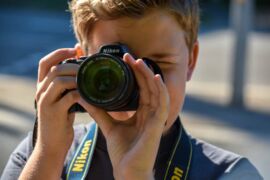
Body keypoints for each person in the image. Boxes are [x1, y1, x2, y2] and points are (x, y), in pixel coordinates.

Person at [1, 0, 263, 179]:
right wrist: (48, 156)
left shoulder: (232, 174)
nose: (137, 85)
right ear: (82, 64)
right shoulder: (41, 155)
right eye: (113, 67)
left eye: (157, 65)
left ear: (190, 61)